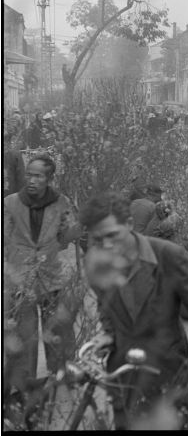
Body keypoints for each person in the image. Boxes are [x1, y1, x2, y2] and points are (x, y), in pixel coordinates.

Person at [80, 191, 188, 430]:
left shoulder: (168, 255)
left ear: (130, 225)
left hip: (167, 368)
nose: (107, 245)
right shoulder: (98, 261)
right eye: (98, 239)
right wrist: (108, 333)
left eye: (112, 235)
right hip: (123, 369)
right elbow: (105, 304)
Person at [4, 154, 82, 393]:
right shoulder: (10, 203)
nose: (32, 180)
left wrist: (79, 225)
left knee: (58, 330)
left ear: (49, 178)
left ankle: (62, 374)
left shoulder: (62, 202)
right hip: (21, 280)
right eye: (29, 174)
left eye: (38, 176)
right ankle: (23, 383)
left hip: (52, 278)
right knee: (24, 335)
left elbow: (66, 237)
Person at [3, 132, 26, 197]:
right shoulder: (15, 155)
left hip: (10, 197)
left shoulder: (15, 156)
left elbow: (21, 180)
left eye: (6, 140)